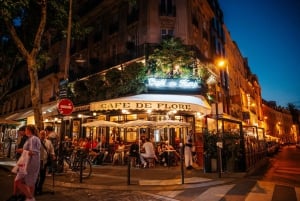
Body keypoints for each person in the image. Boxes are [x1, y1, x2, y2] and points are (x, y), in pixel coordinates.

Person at [13, 124, 41, 201]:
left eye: (26, 129)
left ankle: (30, 198)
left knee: (18, 181)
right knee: (30, 182)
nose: (25, 131)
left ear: (29, 130)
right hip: (30, 162)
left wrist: (22, 150)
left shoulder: (33, 139)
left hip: (30, 163)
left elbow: (34, 152)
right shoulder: (32, 138)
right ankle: (28, 197)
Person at [35, 130, 55, 195]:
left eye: (44, 134)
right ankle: (35, 189)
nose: (42, 136)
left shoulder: (48, 142)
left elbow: (51, 150)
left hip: (44, 161)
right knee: (36, 176)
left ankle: (39, 188)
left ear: (45, 135)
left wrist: (53, 155)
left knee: (42, 176)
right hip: (37, 161)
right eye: (41, 134)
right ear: (39, 135)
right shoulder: (36, 141)